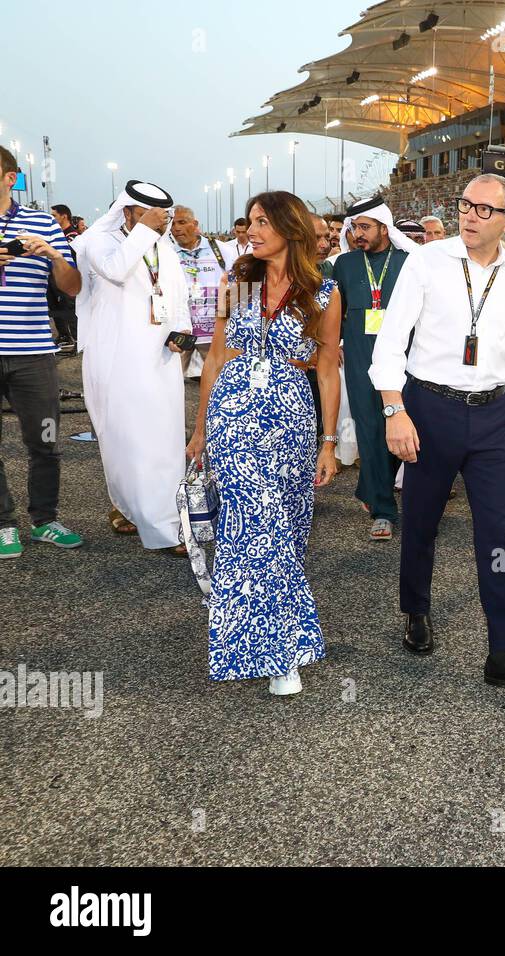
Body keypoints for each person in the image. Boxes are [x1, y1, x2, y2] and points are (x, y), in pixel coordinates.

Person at [369, 173, 505, 690]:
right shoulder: (427, 262)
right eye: (466, 205)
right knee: (422, 522)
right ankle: (416, 609)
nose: (470, 216)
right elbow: (390, 342)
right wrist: (393, 411)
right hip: (429, 410)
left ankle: (503, 650)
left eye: (484, 210)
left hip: (493, 416)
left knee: (495, 535)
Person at [188, 190, 342, 697]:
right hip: (234, 413)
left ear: (290, 228)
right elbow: (215, 357)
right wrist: (200, 428)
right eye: (249, 221)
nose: (251, 230)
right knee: (254, 526)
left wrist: (328, 441)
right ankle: (280, 653)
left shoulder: (323, 291)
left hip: (291, 420)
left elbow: (326, 369)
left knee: (287, 529)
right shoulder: (237, 280)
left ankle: (260, 628)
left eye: (261, 221)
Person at [74, 180, 191, 551]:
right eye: (149, 216)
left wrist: (183, 329)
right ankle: (142, 514)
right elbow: (117, 269)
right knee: (125, 439)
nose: (160, 223)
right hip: (117, 358)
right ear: (127, 212)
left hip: (161, 356)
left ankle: (165, 517)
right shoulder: (99, 243)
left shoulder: (163, 249)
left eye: (164, 217)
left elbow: (177, 293)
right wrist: (144, 231)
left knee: (165, 437)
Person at [0, 145, 83, 559]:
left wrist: (51, 254)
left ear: (9, 177)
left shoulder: (41, 224)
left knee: (46, 439)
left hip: (32, 350)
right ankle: (3, 525)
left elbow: (71, 287)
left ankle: (45, 518)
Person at [333, 196, 418, 539]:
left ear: (385, 227)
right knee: (368, 430)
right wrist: (335, 344)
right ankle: (383, 509)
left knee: (401, 427)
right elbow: (334, 312)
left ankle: (372, 487)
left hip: (404, 357)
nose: (357, 235)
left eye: (365, 227)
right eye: (353, 228)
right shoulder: (344, 264)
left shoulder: (411, 262)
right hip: (358, 356)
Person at [170, 206, 225, 381]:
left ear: (195, 224)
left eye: (182, 222)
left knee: (217, 381)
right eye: (172, 224)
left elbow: (241, 284)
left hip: (212, 331)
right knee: (170, 381)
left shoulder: (220, 250)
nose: (176, 228)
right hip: (179, 328)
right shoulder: (167, 252)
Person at [47, 204, 80, 351]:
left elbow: (74, 257)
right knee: (55, 308)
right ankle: (64, 335)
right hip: (53, 278)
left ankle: (78, 338)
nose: (52, 218)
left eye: (54, 215)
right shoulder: (56, 234)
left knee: (70, 308)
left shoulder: (71, 235)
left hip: (67, 276)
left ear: (64, 216)